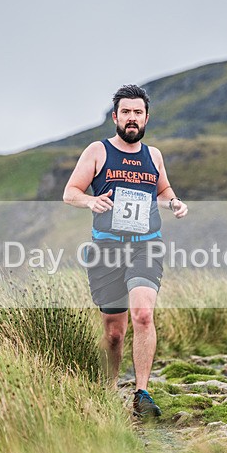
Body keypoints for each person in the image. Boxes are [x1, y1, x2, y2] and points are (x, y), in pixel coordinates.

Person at [63, 84, 188, 419]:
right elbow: (70, 192)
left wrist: (173, 202)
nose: (132, 118)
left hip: (146, 245)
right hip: (106, 248)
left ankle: (142, 393)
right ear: (116, 117)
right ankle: (107, 392)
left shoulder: (154, 156)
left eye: (138, 113)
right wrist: (91, 199)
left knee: (143, 315)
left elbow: (162, 189)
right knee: (114, 332)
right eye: (126, 113)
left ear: (146, 117)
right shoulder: (98, 151)